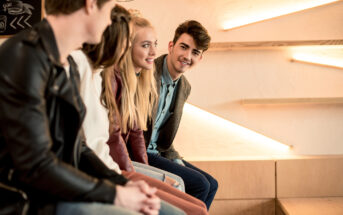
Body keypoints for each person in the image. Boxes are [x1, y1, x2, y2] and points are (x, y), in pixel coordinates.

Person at [0, 1, 168, 214]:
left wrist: (121, 183)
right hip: (32, 200)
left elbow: (80, 145)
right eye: (108, 11)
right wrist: (115, 194)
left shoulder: (65, 61)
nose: (109, 21)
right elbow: (37, 165)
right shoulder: (24, 56)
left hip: (60, 190)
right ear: (90, 5)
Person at [71, 9, 208, 214]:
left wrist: (149, 173)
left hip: (122, 161)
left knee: (203, 189)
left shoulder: (144, 80)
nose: (153, 52)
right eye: (145, 45)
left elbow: (135, 132)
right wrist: (135, 177)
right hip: (110, 165)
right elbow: (110, 139)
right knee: (192, 194)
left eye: (154, 44)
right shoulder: (103, 75)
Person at [144, 20, 219, 210]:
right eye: (184, 47)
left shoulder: (184, 87)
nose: (187, 56)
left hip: (159, 152)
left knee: (212, 184)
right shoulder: (147, 72)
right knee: (200, 184)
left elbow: (165, 137)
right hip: (140, 151)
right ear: (171, 46)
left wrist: (176, 161)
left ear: (200, 58)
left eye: (195, 52)